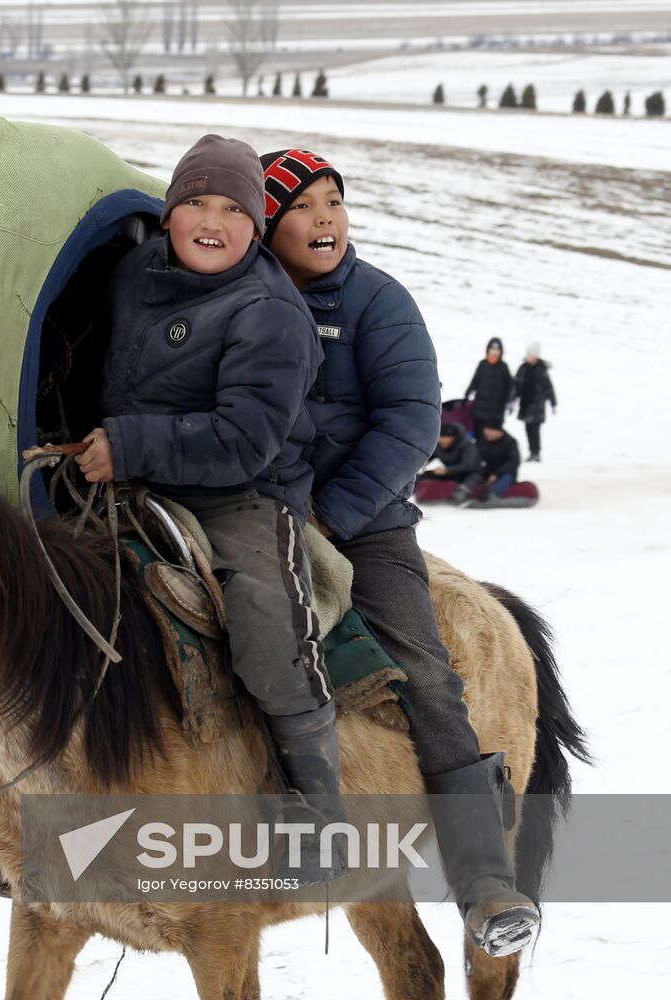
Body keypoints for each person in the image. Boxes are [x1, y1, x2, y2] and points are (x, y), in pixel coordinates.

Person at [0, 134, 346, 896]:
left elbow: (245, 441)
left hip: (238, 493)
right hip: (123, 476)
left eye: (231, 209)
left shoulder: (270, 313)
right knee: (30, 619)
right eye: (193, 204)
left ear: (255, 223)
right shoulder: (137, 270)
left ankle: (316, 816)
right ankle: (3, 826)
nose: (211, 221)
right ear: (168, 212)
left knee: (265, 632)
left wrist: (128, 445)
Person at [258, 145, 539, 957]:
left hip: (364, 521)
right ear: (267, 225)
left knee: (424, 671)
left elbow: (412, 422)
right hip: (250, 510)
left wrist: (333, 513)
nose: (324, 220)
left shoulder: (378, 301)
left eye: (333, 204)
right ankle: (32, 837)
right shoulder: (245, 297)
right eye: (302, 207)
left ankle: (485, 883)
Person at [422, 422, 485, 504]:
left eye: (445, 437)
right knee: (425, 475)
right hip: (448, 472)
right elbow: (432, 456)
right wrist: (426, 463)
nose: (441, 440)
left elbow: (469, 465)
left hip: (467, 473)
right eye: (440, 437)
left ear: (454, 437)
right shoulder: (437, 445)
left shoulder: (467, 446)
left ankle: (463, 492)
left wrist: (447, 470)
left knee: (475, 476)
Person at [514, 343, 556, 461]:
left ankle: (536, 452)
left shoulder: (541, 370)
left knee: (535, 430)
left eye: (531, 355)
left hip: (537, 406)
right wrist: (512, 399)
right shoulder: (522, 369)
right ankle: (531, 451)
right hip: (526, 405)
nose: (529, 357)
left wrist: (553, 403)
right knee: (528, 428)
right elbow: (516, 385)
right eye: (528, 355)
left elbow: (549, 388)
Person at [464, 337, 513, 432]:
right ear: (488, 350)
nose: (494, 352)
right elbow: (474, 381)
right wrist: (467, 394)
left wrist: (509, 401)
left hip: (496, 412)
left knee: (491, 439)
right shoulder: (482, 364)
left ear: (500, 352)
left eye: (497, 350)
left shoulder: (504, 367)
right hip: (479, 409)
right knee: (478, 437)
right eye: (492, 349)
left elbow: (510, 387)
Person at [475, 420, 522, 502]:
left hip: (503, 473)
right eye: (486, 431)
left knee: (507, 477)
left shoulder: (510, 442)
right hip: (485, 471)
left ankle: (493, 494)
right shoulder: (482, 440)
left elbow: (514, 462)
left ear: (499, 431)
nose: (487, 433)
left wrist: (497, 474)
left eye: (490, 431)